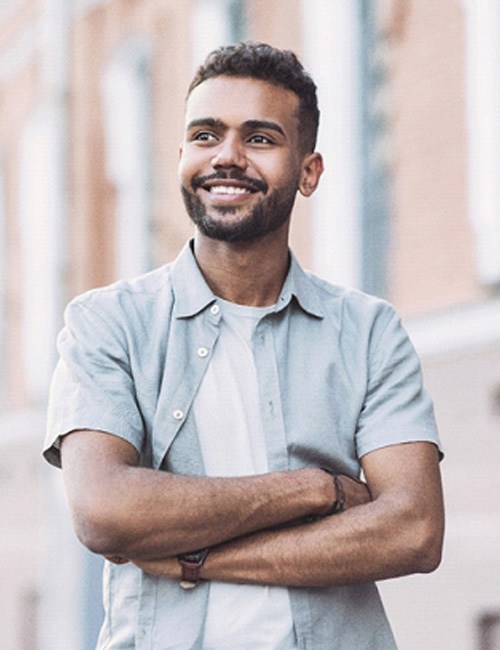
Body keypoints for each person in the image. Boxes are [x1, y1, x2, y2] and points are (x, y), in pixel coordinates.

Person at [43, 42, 444, 649]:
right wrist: (317, 490)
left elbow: (413, 530)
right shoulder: (108, 323)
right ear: (181, 156)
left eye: (259, 138)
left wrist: (193, 560)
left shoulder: (368, 332)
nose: (226, 157)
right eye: (205, 136)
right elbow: (103, 511)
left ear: (308, 171)